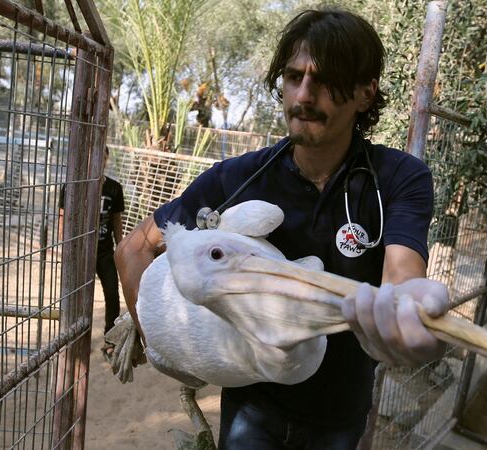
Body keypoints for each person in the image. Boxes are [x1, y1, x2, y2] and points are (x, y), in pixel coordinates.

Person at [115, 8, 449, 449]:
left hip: (340, 419)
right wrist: (160, 340)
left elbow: (401, 282)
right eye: (294, 77)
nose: (304, 95)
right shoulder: (237, 178)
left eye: (325, 80)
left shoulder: (398, 178)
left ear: (365, 94)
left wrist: (409, 318)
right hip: (251, 414)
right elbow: (133, 250)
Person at [58, 147, 125, 341]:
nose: (98, 162)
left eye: (102, 158)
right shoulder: (73, 186)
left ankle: (110, 338)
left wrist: (120, 246)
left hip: (105, 251)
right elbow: (63, 216)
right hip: (80, 250)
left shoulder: (114, 188)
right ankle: (73, 334)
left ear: (106, 160)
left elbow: (116, 220)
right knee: (77, 295)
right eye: (94, 158)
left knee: (112, 294)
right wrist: (64, 243)